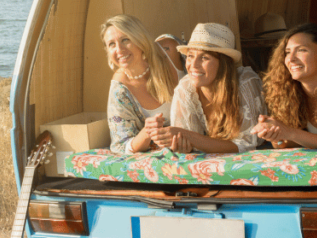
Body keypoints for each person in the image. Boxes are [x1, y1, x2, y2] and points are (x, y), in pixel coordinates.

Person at [148, 23, 265, 154]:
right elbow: (189, 142)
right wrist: (184, 145)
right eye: (190, 56)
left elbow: (246, 145)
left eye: (204, 57)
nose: (193, 65)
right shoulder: (185, 88)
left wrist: (190, 137)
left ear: (224, 64)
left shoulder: (244, 83)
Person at [101, 15, 180, 154]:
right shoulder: (120, 89)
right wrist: (146, 132)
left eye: (125, 40)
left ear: (140, 39)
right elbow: (121, 146)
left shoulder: (169, 51)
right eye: (111, 44)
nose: (119, 49)